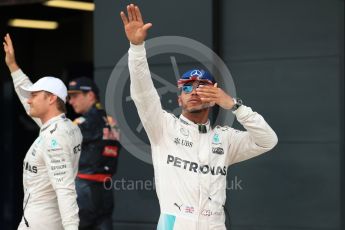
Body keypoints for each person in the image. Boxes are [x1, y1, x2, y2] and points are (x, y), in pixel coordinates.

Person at [120, 4, 278, 230]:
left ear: (214, 97)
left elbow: (268, 140)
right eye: (186, 88)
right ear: (179, 99)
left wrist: (234, 106)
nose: (193, 92)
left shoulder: (225, 138)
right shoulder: (163, 127)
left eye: (201, 87)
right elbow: (142, 92)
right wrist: (136, 47)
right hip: (173, 225)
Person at [3, 33, 82, 230]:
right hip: (42, 219)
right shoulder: (61, 126)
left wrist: (72, 228)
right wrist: (13, 66)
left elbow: (65, 189)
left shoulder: (55, 136)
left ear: (51, 99)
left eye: (35, 95)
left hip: (41, 223)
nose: (29, 99)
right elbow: (25, 99)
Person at [68, 77, 120, 230]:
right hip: (106, 191)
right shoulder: (112, 121)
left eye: (75, 96)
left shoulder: (81, 124)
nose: (71, 101)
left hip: (84, 190)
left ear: (90, 95)